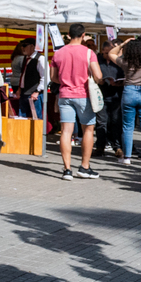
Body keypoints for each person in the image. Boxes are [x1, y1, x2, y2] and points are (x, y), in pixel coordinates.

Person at [53, 24, 104, 181]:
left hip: (64, 95)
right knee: (88, 130)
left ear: (68, 35)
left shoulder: (58, 53)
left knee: (66, 131)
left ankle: (67, 169)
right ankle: (84, 167)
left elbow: (53, 77)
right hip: (83, 95)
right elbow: (98, 76)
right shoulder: (89, 53)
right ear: (83, 35)